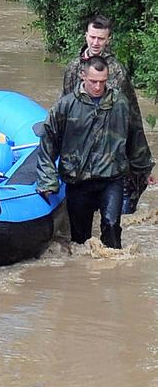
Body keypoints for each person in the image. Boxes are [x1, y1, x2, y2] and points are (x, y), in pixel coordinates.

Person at [37, 56, 154, 249]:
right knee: (80, 240)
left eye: (102, 81)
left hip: (111, 178)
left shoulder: (120, 104)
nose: (98, 87)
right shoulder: (66, 106)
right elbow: (48, 143)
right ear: (83, 76)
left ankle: (113, 272)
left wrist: (144, 169)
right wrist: (48, 179)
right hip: (78, 181)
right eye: (93, 81)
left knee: (112, 226)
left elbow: (136, 137)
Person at [62, 14, 154, 210]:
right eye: (92, 37)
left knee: (115, 223)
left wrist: (143, 165)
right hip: (80, 161)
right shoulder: (72, 68)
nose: (96, 43)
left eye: (101, 38)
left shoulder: (117, 72)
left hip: (111, 157)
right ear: (86, 35)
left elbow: (133, 120)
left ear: (108, 40)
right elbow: (64, 111)